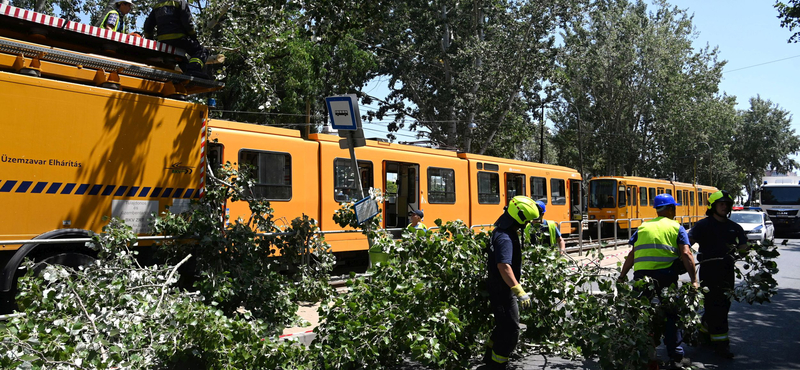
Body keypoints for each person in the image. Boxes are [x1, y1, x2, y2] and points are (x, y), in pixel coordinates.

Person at [618, 193, 698, 368]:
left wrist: (622, 276)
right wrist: (694, 280)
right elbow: (686, 253)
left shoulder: (643, 227)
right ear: (670, 209)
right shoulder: (676, 227)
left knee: (640, 315)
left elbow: (632, 255)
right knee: (671, 315)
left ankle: (643, 354)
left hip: (641, 278)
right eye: (674, 208)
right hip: (666, 277)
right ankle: (676, 356)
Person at [688, 190, 747, 359]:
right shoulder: (703, 225)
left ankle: (704, 334)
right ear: (712, 206)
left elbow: (743, 249)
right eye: (721, 204)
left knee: (720, 307)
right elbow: (687, 243)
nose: (724, 207)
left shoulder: (735, 228)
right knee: (717, 307)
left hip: (727, 273)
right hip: (709, 272)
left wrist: (746, 251)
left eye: (727, 204)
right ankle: (721, 346)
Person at [484, 196, 540, 370]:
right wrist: (519, 291)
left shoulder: (500, 230)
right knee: (511, 330)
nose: (529, 223)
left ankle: (489, 358)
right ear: (521, 218)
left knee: (501, 326)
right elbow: (504, 266)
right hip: (503, 290)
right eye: (528, 220)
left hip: (498, 287)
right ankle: (498, 364)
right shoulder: (505, 238)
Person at [143, 0, 209, 78]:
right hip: (178, 38)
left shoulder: (157, 5)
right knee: (201, 51)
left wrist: (150, 39)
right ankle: (193, 71)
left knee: (181, 57)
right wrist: (193, 36)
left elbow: (148, 26)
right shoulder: (180, 2)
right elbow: (187, 22)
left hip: (162, 42)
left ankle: (187, 74)